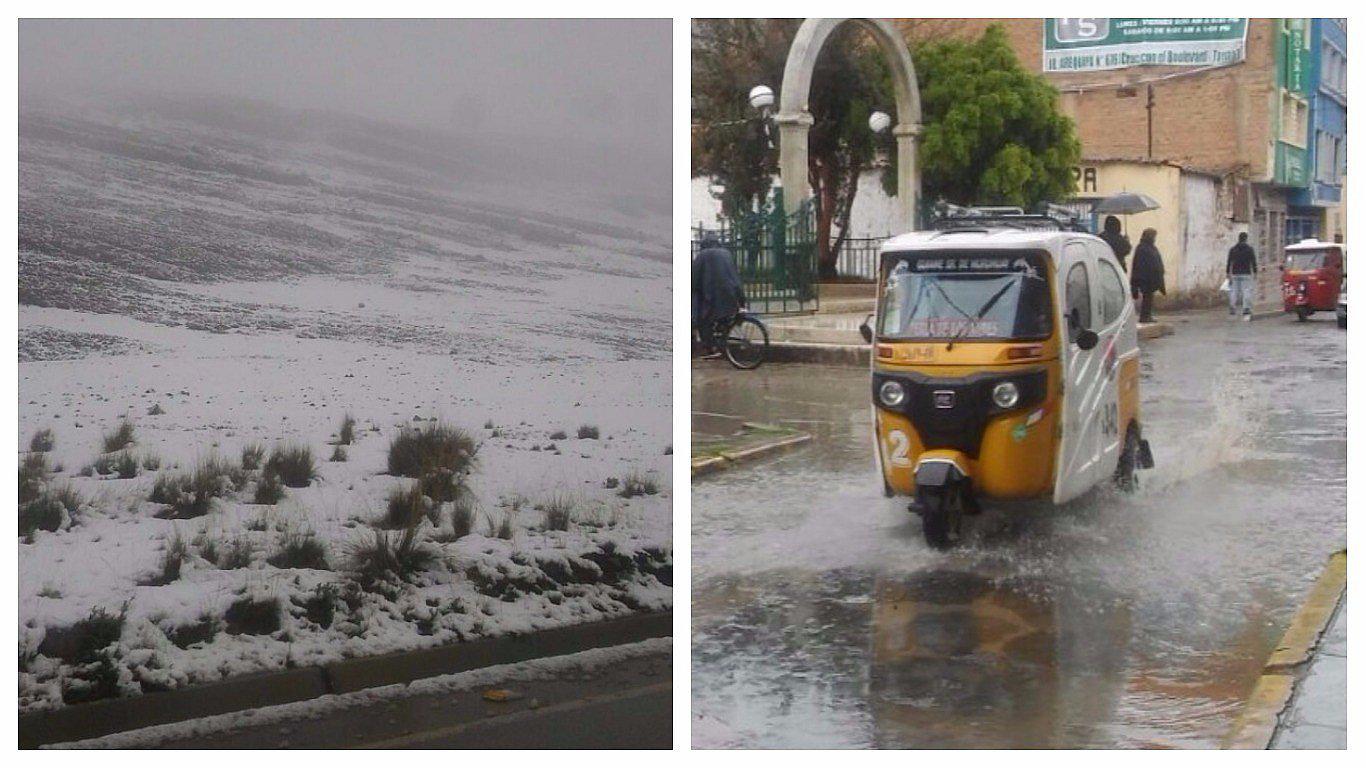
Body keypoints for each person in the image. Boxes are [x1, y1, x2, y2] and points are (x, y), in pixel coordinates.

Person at [692, 235, 746, 357]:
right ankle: (722, 342)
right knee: (723, 318)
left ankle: (710, 349)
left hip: (714, 297)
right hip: (732, 294)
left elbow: (694, 278)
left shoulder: (703, 255)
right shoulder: (726, 253)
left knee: (702, 319)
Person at [1130, 228, 1165, 324]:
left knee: (1149, 298)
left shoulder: (1151, 247)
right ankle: (1144, 316)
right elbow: (1138, 265)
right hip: (1145, 278)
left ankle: (1147, 316)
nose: (1154, 238)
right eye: (1153, 236)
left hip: (1151, 278)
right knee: (1147, 297)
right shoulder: (1142, 248)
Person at [1226, 232, 1258, 321]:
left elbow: (1229, 262)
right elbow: (1253, 261)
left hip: (1235, 273)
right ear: (1246, 239)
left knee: (1234, 291)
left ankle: (1232, 308)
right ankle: (1246, 309)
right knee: (1246, 291)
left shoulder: (1233, 249)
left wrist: (1228, 273)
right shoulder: (1249, 249)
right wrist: (1255, 272)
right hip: (1246, 273)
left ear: (1239, 238)